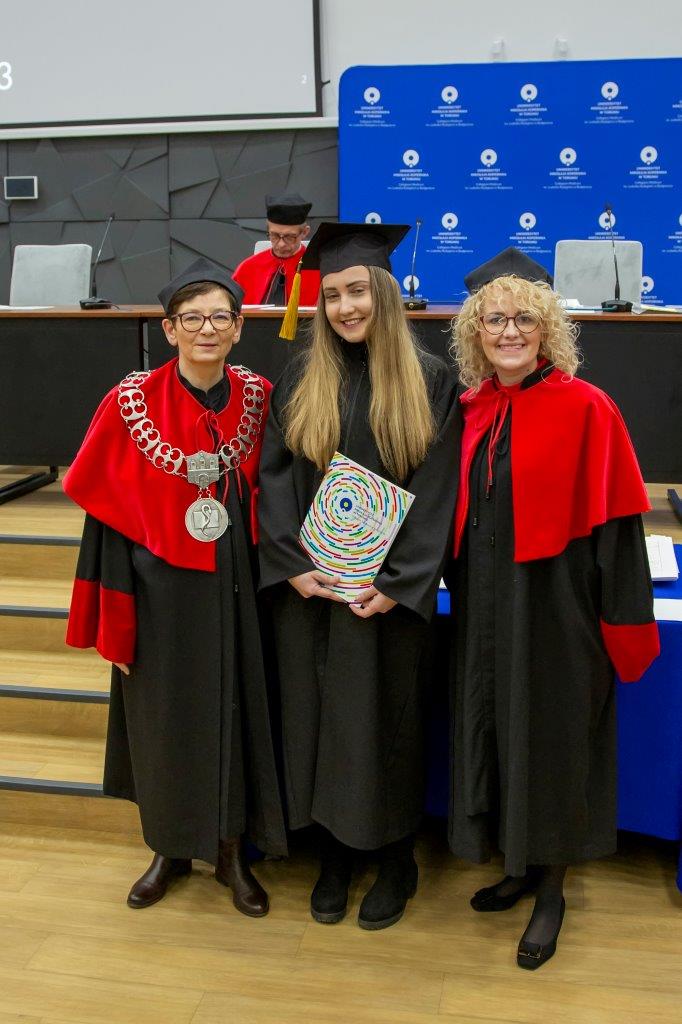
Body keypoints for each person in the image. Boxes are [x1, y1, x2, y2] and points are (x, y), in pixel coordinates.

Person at [447, 262, 659, 969]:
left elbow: (620, 530)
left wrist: (623, 622)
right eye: (496, 320)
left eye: (525, 319)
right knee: (497, 730)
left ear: (547, 330)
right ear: (476, 332)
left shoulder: (588, 407)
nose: (510, 332)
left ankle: (552, 890)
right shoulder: (470, 408)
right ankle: (516, 866)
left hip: (558, 608)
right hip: (482, 606)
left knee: (552, 738)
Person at [64, 257, 286, 916]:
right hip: (157, 591)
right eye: (192, 319)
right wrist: (115, 617)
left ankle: (230, 850)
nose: (206, 329)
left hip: (238, 585)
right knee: (162, 720)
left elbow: (282, 489)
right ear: (168, 329)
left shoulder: (259, 398)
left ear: (239, 327)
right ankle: (167, 848)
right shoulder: (130, 402)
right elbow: (105, 519)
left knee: (236, 711)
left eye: (220, 317)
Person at [258, 222, 461, 930]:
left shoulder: (432, 381)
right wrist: (291, 564)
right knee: (316, 719)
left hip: (385, 597)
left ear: (384, 293)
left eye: (357, 291)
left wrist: (399, 581)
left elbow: (438, 491)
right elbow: (274, 478)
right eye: (333, 295)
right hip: (314, 591)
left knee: (385, 724)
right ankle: (334, 856)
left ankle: (397, 857)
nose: (345, 307)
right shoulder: (301, 376)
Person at [233, 192, 321, 306]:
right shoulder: (246, 269)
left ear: (304, 232)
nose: (281, 244)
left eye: (289, 237)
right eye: (274, 235)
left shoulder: (318, 268)